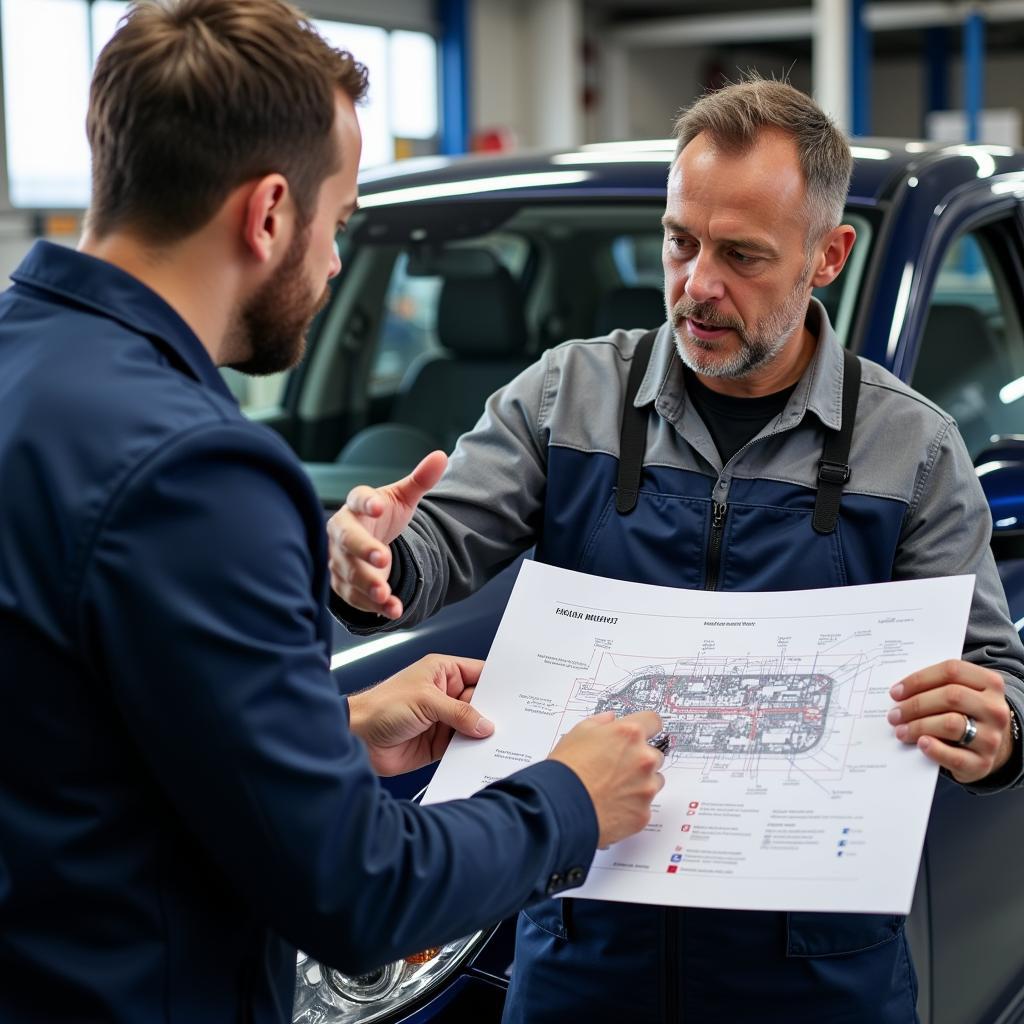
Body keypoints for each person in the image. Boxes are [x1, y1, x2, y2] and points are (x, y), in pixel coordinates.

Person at [0, 2, 668, 1022]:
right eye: (341, 221)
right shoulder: (201, 468)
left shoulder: (22, 368)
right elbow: (360, 889)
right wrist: (572, 797)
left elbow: (67, 730)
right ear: (269, 213)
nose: (337, 262)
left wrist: (336, 723)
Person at [328, 77, 1024, 1023]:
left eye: (741, 255)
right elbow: (438, 547)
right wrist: (377, 562)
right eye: (679, 241)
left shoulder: (914, 450)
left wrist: (996, 732)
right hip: (586, 957)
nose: (698, 284)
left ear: (829, 255)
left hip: (814, 975)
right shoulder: (563, 398)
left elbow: (995, 678)